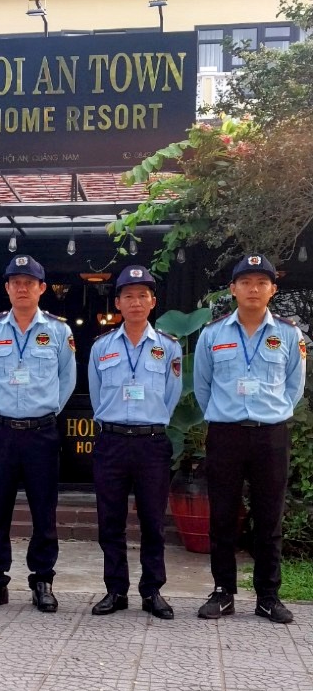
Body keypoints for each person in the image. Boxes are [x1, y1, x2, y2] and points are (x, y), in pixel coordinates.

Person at [194, 253, 306, 624]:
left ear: (273, 289)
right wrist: (227, 415)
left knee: (269, 517)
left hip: (270, 436)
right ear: (233, 289)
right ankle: (223, 591)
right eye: (245, 282)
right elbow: (203, 387)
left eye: (261, 282)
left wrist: (269, 414)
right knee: (223, 516)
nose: (253, 288)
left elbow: (294, 387)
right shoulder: (213, 334)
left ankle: (268, 596)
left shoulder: (289, 334)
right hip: (225, 434)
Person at [0, 253, 76, 613]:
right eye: (15, 283)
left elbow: (67, 378)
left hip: (41, 433)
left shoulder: (59, 331)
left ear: (42, 288)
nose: (22, 288)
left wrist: (48, 411)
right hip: (1, 431)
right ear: (6, 288)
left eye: (29, 283)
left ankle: (42, 581)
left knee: (43, 511)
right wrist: (4, 406)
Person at [89, 264, 182, 619]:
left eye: (143, 295)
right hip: (112, 442)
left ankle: (152, 590)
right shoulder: (102, 347)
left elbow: (170, 397)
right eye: (129, 295)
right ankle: (115, 590)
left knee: (153, 521)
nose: (136, 301)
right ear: (118, 303)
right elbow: (98, 397)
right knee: (109, 520)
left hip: (151, 443)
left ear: (153, 301)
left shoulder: (168, 348)